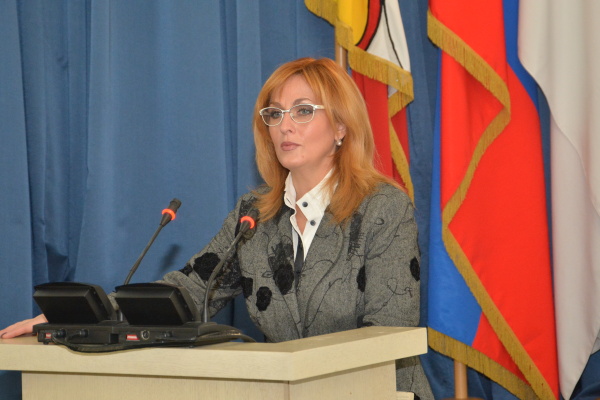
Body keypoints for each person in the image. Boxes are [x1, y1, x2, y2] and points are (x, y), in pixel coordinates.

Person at [1, 57, 433, 398]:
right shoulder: (255, 215)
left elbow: (389, 333)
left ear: (340, 126)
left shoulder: (383, 208)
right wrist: (80, 315)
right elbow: (189, 290)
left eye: (303, 111)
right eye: (275, 113)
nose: (285, 125)